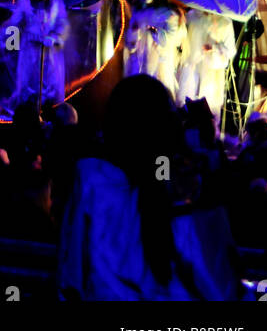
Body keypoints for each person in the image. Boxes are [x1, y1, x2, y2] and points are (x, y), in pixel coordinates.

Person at [59, 75, 242, 300]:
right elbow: (222, 287)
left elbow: (70, 277)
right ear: (170, 130)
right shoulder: (186, 192)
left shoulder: (91, 181)